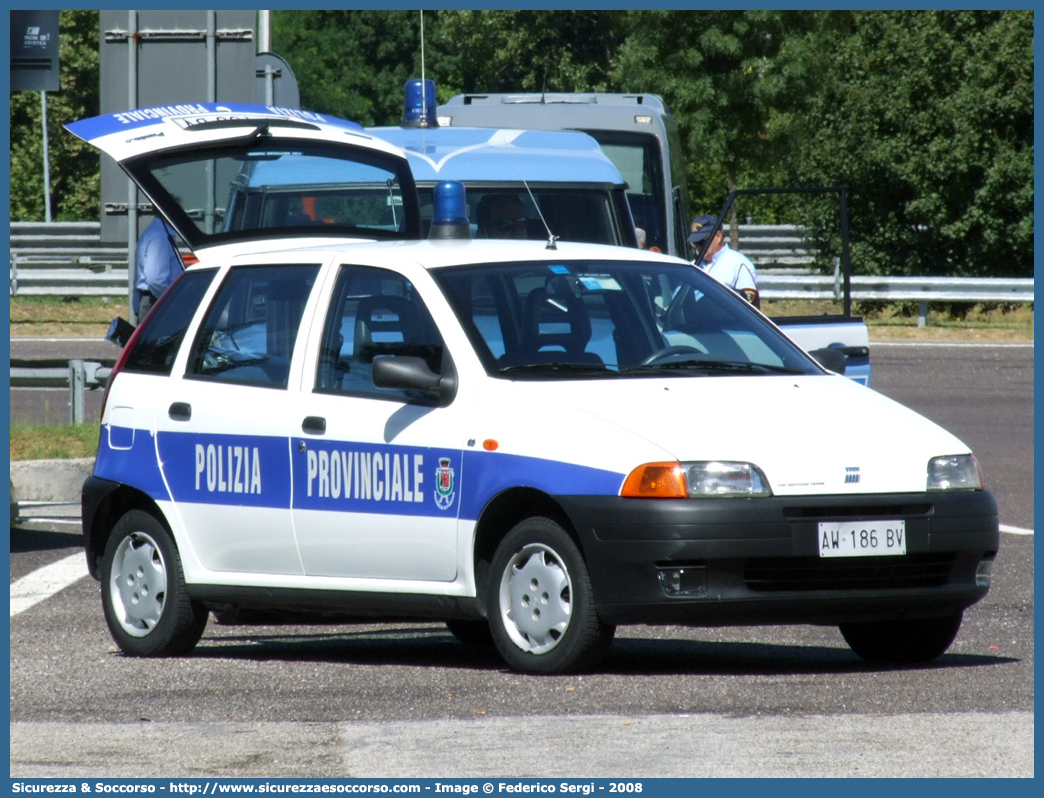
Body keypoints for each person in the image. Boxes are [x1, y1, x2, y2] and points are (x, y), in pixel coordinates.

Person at [688, 214, 760, 308]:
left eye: (702, 242)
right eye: (695, 243)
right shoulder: (691, 267)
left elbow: (750, 310)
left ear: (718, 236)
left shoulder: (738, 265)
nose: (698, 247)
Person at [133, 215, 184, 320]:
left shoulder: (155, 232)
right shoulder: (160, 236)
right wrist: (173, 300)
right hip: (157, 304)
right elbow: (155, 280)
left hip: (152, 302)